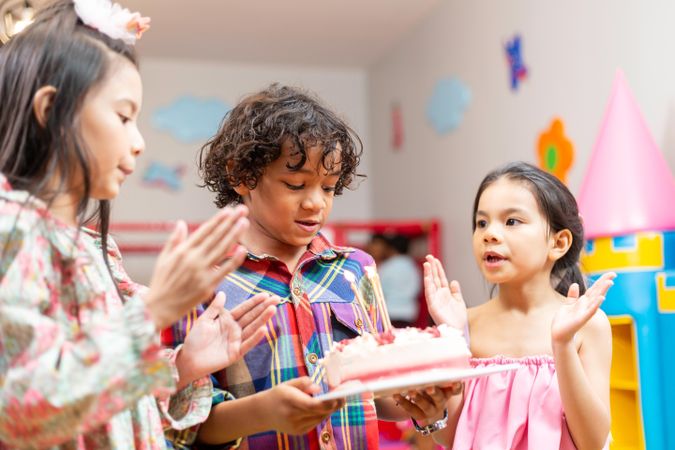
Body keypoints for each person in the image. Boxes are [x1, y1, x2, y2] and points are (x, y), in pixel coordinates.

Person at [0, 1, 278, 448]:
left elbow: (103, 405)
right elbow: (21, 412)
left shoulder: (95, 248)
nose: (139, 141)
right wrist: (156, 310)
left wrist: (186, 365)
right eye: (124, 116)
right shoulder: (11, 230)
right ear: (50, 109)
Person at [163, 84, 458, 449]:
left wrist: (422, 404)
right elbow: (184, 424)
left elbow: (379, 393)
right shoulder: (202, 281)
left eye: (330, 188)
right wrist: (263, 412)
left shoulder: (355, 270)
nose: (316, 203)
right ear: (241, 176)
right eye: (296, 184)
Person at [395, 162, 614, 449]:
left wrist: (562, 344)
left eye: (511, 221)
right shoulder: (465, 325)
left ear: (558, 242)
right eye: (481, 223)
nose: (489, 234)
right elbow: (452, 437)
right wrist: (452, 333)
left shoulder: (588, 325)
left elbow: (593, 441)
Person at [368, 233, 421, 328]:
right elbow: (417, 289)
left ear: (391, 249)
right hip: (409, 313)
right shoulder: (414, 267)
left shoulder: (386, 267)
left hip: (389, 312)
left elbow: (377, 290)